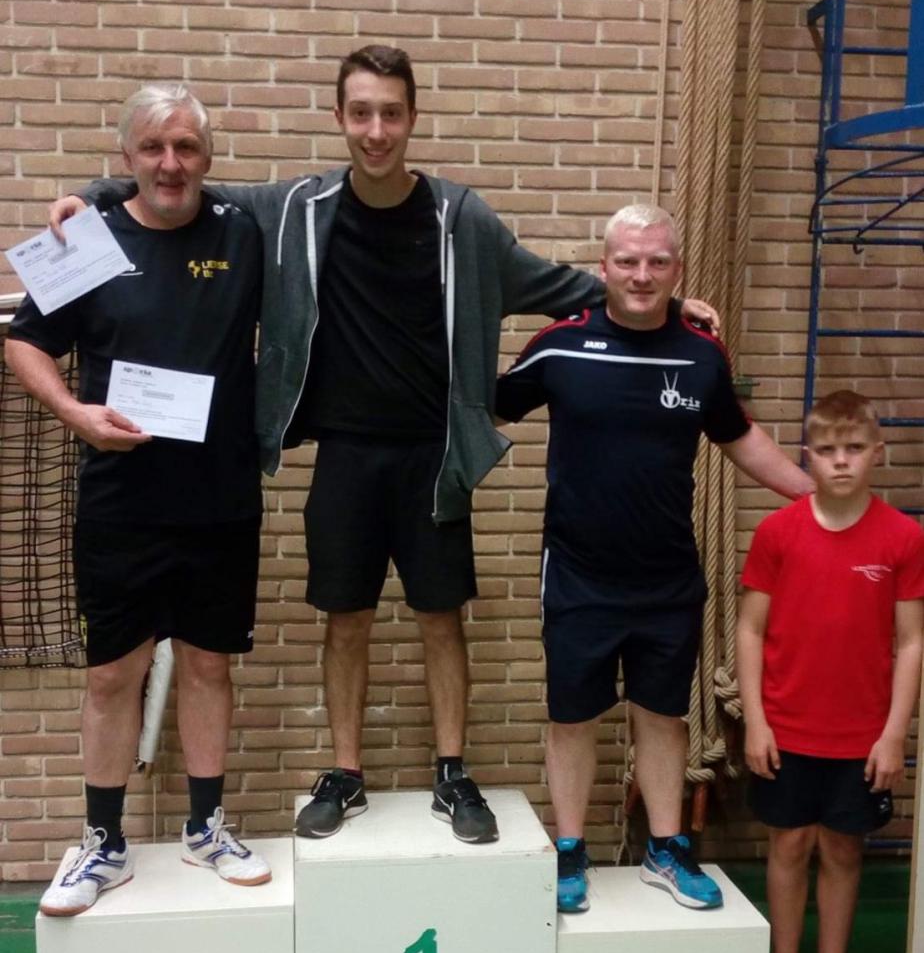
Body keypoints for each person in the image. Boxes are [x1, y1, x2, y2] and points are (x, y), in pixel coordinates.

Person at [50, 46, 719, 847]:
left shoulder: (459, 218)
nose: (376, 130)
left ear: (411, 119)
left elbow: (554, 283)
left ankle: (452, 771)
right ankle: (345, 772)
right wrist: (94, 194)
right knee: (347, 619)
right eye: (361, 112)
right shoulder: (297, 207)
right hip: (344, 454)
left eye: (391, 113)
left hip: (434, 458)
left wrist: (665, 304)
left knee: (442, 619)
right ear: (340, 118)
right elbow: (182, 184)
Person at [495, 203, 815, 913]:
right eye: (628, 261)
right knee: (572, 719)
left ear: (676, 270)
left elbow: (740, 437)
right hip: (577, 577)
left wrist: (816, 496)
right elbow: (485, 408)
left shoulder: (702, 355)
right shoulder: (558, 345)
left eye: (657, 262)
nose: (642, 275)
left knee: (663, 717)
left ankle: (666, 852)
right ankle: (569, 851)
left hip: (668, 579)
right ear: (604, 267)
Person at [6, 84, 271, 916]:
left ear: (208, 156)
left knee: (208, 665)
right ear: (128, 156)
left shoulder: (241, 232)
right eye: (153, 148)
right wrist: (74, 412)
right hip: (120, 501)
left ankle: (206, 829)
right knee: (113, 673)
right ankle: (104, 844)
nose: (170, 163)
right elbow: (24, 342)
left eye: (186, 146)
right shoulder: (85, 238)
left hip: (221, 498)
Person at [738, 390, 924, 953]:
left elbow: (911, 643)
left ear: (877, 453)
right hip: (786, 729)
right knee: (789, 844)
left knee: (844, 850)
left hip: (862, 737)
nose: (841, 461)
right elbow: (750, 631)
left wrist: (894, 734)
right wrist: (756, 721)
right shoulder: (777, 534)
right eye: (827, 450)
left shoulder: (904, 538)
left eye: (854, 449)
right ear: (807, 456)